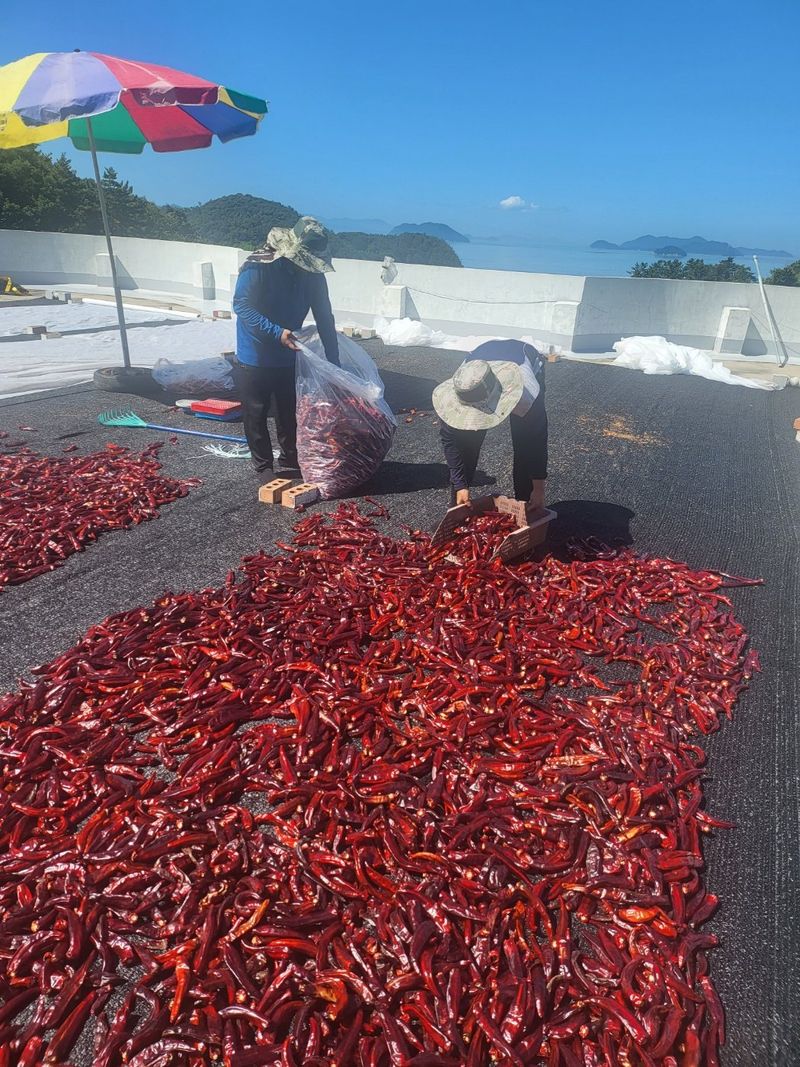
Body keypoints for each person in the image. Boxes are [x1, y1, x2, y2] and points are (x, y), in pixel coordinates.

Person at [232, 216, 340, 479]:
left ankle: (291, 455)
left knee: (288, 409)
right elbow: (241, 305)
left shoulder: (313, 276)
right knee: (256, 412)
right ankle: (263, 465)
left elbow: (324, 315)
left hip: (289, 348)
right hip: (255, 351)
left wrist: (335, 362)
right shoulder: (259, 265)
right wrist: (275, 331)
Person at [433, 338, 548, 513]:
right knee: (466, 440)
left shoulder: (527, 394)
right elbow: (452, 441)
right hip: (482, 356)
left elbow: (536, 441)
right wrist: (460, 485)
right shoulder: (463, 385)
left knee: (524, 442)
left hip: (522, 360)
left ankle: (526, 505)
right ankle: (459, 502)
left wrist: (538, 489)